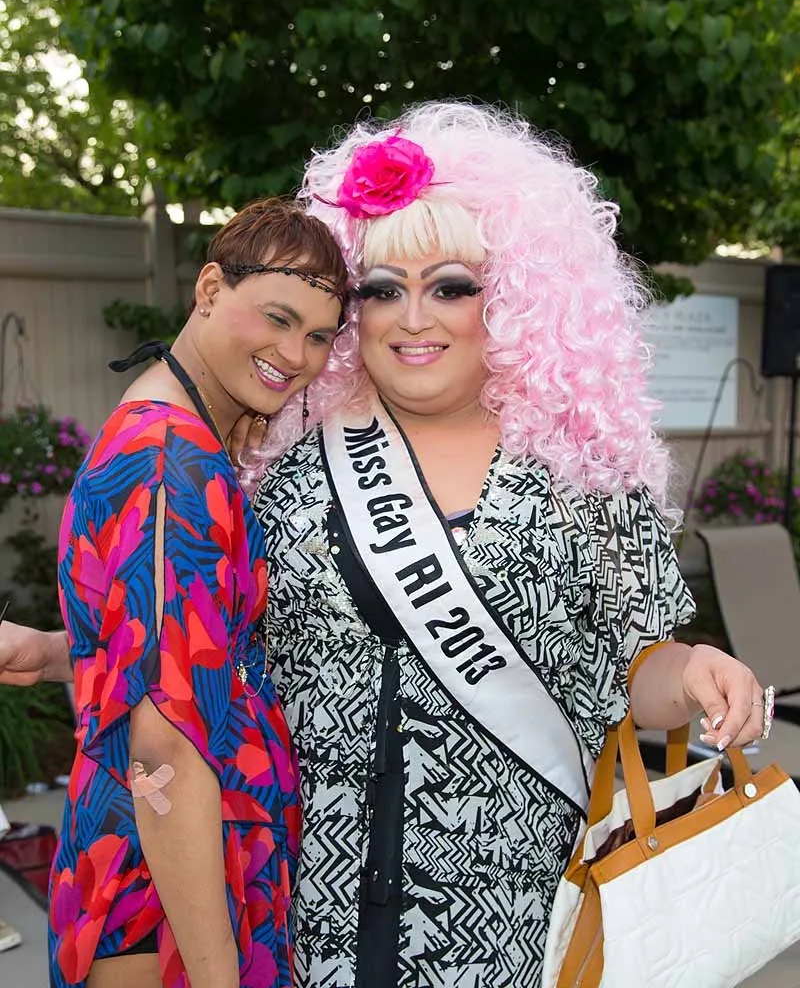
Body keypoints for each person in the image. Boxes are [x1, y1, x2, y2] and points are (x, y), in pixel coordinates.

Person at [0, 103, 767, 988]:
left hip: (502, 922)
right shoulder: (286, 467)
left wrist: (696, 670)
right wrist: (65, 651)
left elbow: (631, 671)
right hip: (300, 917)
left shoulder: (585, 475)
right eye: (381, 289)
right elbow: (220, 659)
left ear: (514, 300)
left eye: (451, 287)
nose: (412, 318)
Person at [19, 198, 347, 988]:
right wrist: (215, 973)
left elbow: (157, 649)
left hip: (172, 863)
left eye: (318, 336)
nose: (294, 354)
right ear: (209, 288)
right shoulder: (174, 464)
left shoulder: (168, 429)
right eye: (277, 318)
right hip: (166, 885)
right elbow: (165, 745)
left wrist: (60, 652)